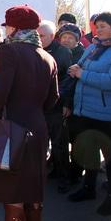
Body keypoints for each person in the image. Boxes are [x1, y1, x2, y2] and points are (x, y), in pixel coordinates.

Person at [0, 5, 59, 221]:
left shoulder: (9, 51)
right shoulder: (47, 56)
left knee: (13, 199)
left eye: (8, 25)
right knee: (33, 197)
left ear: (14, 27)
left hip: (11, 130)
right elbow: (53, 100)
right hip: (38, 129)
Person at [66, 12, 111, 216]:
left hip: (109, 114)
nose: (98, 30)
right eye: (97, 26)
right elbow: (81, 65)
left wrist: (82, 73)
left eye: (103, 26)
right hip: (85, 110)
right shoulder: (94, 46)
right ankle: (88, 189)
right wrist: (78, 68)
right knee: (89, 152)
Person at [37, 20, 73, 194]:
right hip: (38, 106)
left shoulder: (63, 52)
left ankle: (63, 178)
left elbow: (69, 79)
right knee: (42, 143)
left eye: (42, 36)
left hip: (57, 107)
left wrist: (66, 103)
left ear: (52, 36)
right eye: (37, 35)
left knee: (59, 144)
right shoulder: (35, 51)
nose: (38, 38)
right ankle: (49, 173)